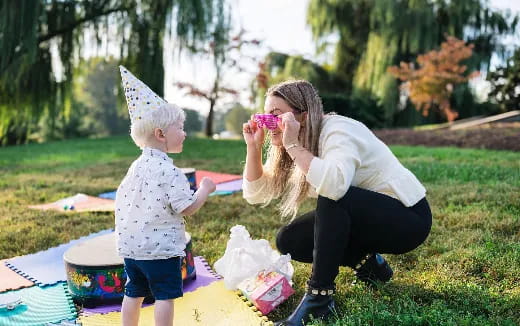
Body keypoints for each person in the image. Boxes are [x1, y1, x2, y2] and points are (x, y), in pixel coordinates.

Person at [242, 80, 432, 326]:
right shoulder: (300, 144)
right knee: (289, 240)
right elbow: (256, 193)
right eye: (265, 117)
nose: (269, 125)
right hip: (366, 218)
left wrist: (292, 144)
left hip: (408, 220)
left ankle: (319, 300)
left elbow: (335, 185)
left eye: (276, 116)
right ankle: (371, 266)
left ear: (304, 116)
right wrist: (253, 148)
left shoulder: (338, 130)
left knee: (333, 196)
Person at [116, 66, 216, 326]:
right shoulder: (170, 172)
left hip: (131, 248)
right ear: (161, 134)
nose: (184, 132)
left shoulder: (135, 166)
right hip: (160, 250)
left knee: (133, 290)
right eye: (180, 127)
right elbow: (187, 207)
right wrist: (204, 189)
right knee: (164, 296)